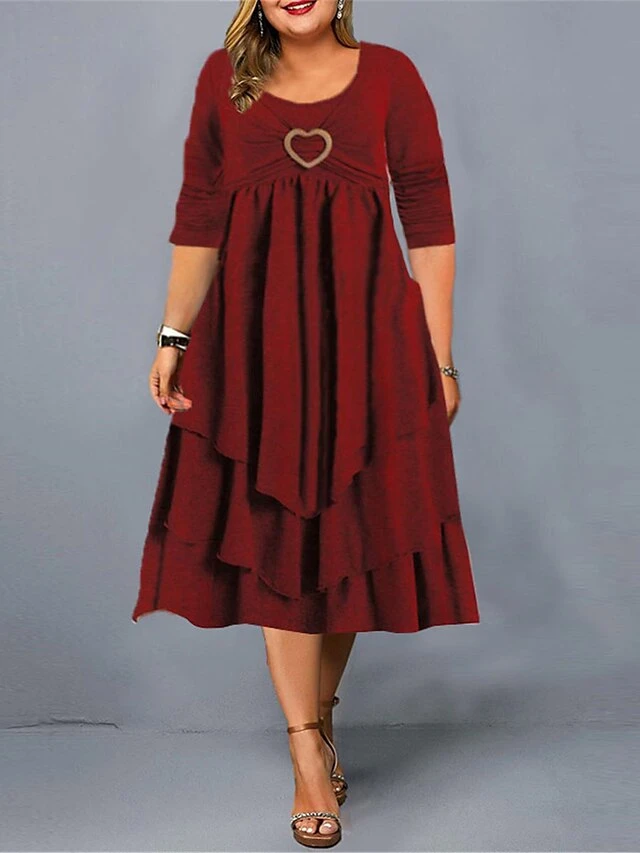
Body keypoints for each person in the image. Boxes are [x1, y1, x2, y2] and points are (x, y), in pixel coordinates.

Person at [132, 0, 480, 847]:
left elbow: (428, 218)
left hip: (371, 344)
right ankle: (305, 756)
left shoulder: (391, 76)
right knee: (283, 541)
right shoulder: (225, 80)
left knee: (352, 536)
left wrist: (439, 358)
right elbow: (200, 215)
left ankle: (319, 717)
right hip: (257, 351)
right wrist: (174, 334)